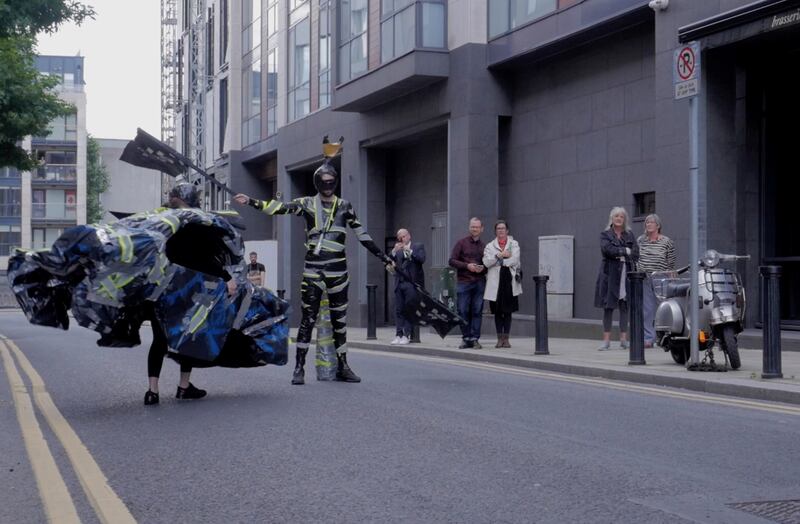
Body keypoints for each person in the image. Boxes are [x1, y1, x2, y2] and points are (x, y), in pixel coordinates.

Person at [233, 151, 392, 385]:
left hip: (338, 272)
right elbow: (280, 207)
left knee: (340, 321)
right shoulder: (306, 203)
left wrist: (384, 256)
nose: (328, 186)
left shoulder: (345, 206)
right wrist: (253, 201)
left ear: (335, 182)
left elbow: (362, 235)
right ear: (318, 183)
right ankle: (299, 368)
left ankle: (343, 366)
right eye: (323, 182)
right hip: (313, 271)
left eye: (331, 182)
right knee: (308, 318)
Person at [144, 182, 238, 405]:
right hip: (187, 290)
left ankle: (152, 391)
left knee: (159, 339)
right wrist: (227, 277)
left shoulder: (162, 222)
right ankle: (183, 387)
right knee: (188, 336)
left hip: (162, 289)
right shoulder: (196, 224)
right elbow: (204, 258)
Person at [594, 206, 639, 351]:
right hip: (610, 274)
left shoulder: (630, 235)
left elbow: (636, 254)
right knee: (608, 307)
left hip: (626, 273)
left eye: (621, 216)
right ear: (611, 219)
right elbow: (607, 250)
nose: (619, 218)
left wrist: (622, 253)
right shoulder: (605, 234)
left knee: (624, 306)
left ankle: (623, 340)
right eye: (616, 216)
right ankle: (606, 341)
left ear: (624, 219)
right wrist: (624, 251)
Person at [637, 214, 676, 348]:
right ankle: (649, 338)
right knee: (647, 310)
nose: (648, 224)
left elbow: (671, 262)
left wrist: (670, 275)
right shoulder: (641, 240)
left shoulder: (666, 241)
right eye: (647, 222)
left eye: (651, 222)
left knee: (664, 308)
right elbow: (637, 258)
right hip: (645, 278)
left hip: (661, 277)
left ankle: (665, 337)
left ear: (658, 225)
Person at [483, 220, 522, 348]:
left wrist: (500, 261)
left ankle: (506, 338)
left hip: (509, 281)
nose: (501, 230)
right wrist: (501, 255)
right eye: (498, 228)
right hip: (495, 282)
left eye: (503, 228)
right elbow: (487, 262)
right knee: (498, 311)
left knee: (508, 311)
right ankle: (499, 338)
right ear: (495, 231)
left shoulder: (514, 244)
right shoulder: (489, 246)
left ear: (507, 231)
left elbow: (515, 259)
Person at [449, 218, 487, 349]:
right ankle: (466, 338)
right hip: (464, 281)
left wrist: (483, 268)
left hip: (479, 282)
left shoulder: (484, 246)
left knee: (477, 311)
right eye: (472, 227)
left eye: (476, 227)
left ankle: (475, 338)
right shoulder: (461, 243)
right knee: (462, 310)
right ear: (469, 228)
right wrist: (467, 266)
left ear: (482, 229)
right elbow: (452, 261)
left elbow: (489, 264)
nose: (474, 229)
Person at [390, 228, 426, 345]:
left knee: (409, 309)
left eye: (404, 236)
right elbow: (389, 261)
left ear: (409, 236)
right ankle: (398, 334)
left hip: (411, 283)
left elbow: (421, 259)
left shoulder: (417, 246)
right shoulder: (398, 250)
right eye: (400, 237)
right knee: (399, 309)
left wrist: (409, 250)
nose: (402, 239)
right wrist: (394, 251)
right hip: (399, 282)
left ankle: (406, 334)